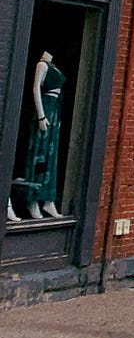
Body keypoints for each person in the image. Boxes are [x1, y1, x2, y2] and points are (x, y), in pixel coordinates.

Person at [12, 51, 65, 221]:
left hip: (54, 110)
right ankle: (32, 199)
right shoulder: (41, 65)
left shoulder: (53, 66)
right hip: (46, 109)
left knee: (50, 157)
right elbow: (36, 88)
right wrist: (41, 115)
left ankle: (48, 199)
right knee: (39, 155)